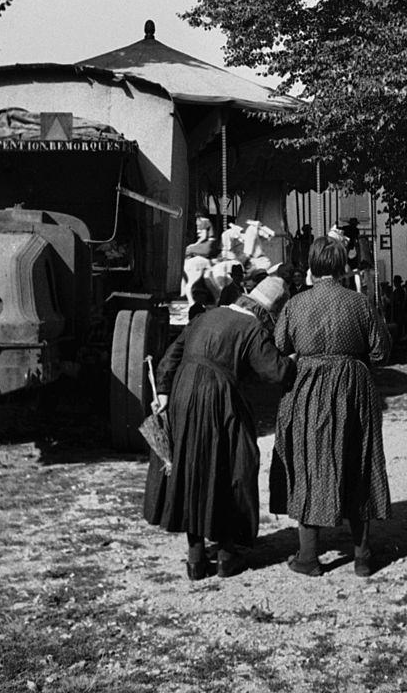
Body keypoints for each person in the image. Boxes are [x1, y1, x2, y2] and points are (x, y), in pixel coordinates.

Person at [143, 276, 296, 580]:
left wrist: (163, 393)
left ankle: (196, 558)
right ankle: (226, 554)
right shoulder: (252, 329)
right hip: (220, 397)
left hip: (184, 395)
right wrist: (293, 359)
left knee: (190, 468)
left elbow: (171, 357)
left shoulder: (205, 316)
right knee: (233, 466)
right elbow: (274, 371)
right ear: (269, 313)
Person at [270, 236, 391, 578]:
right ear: (342, 266)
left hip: (307, 388)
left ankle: (308, 557)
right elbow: (381, 353)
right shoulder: (361, 303)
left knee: (309, 461)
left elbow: (280, 345)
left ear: (312, 265)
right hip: (353, 388)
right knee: (359, 462)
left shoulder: (296, 304)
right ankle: (363, 557)